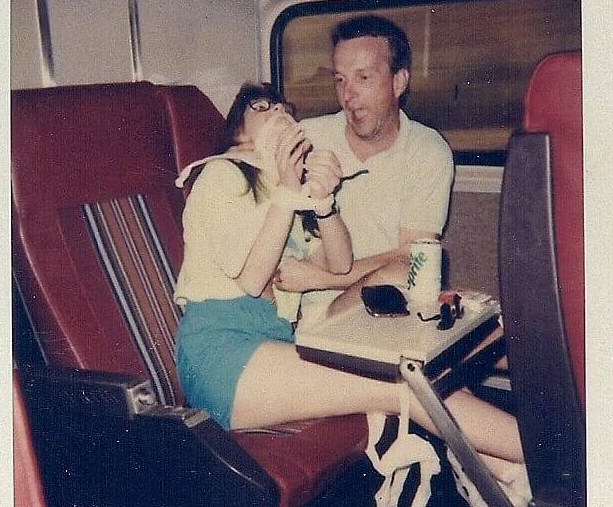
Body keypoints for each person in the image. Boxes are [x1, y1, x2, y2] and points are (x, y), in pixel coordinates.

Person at [173, 81, 524, 471]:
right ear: (238, 131)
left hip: (273, 342)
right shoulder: (219, 175)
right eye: (262, 107)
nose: (279, 113)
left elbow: (337, 265)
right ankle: (556, 460)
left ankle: (511, 475)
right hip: (221, 352)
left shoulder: (281, 197)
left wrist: (323, 201)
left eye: (284, 109)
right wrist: (288, 188)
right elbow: (252, 280)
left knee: (410, 375)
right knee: (401, 384)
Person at [274, 15, 454, 321]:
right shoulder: (308, 138)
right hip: (307, 310)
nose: (348, 95)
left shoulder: (427, 150)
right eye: (340, 80)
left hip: (389, 302)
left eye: (364, 78)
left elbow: (412, 259)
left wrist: (319, 279)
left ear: (398, 82)